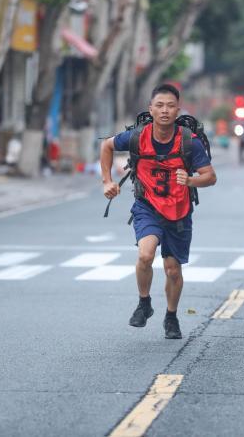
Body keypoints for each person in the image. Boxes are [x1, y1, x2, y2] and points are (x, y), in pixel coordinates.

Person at [100, 84, 217, 339]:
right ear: (151, 109)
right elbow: (107, 146)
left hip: (179, 210)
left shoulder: (190, 142)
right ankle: (144, 303)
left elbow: (210, 177)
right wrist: (107, 181)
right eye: (160, 105)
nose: (165, 110)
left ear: (177, 110)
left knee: (173, 269)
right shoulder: (136, 137)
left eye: (170, 106)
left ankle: (171, 316)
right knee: (145, 255)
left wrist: (190, 181)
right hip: (148, 206)